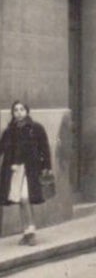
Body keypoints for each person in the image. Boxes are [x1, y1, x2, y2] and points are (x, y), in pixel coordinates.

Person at [0, 101, 52, 246]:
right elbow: (2, 148)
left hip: (31, 170)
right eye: (15, 110)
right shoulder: (9, 131)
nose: (19, 112)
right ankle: (27, 232)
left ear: (27, 111)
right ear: (13, 113)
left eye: (22, 109)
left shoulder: (35, 128)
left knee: (25, 198)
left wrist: (47, 166)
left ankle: (31, 231)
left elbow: (44, 148)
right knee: (20, 201)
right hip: (15, 170)